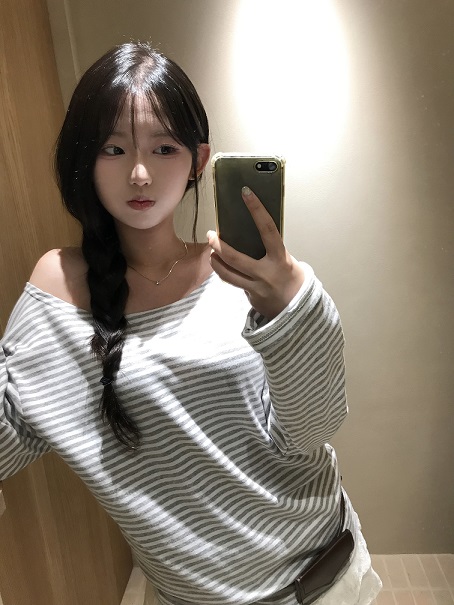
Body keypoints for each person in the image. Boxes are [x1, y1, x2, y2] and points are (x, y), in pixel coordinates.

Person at [0, 42, 381, 605]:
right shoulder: (59, 290)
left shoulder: (247, 280)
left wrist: (293, 308)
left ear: (199, 161)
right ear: (85, 157)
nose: (139, 174)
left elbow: (312, 431)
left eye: (164, 148)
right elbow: (11, 430)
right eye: (113, 148)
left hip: (324, 579)